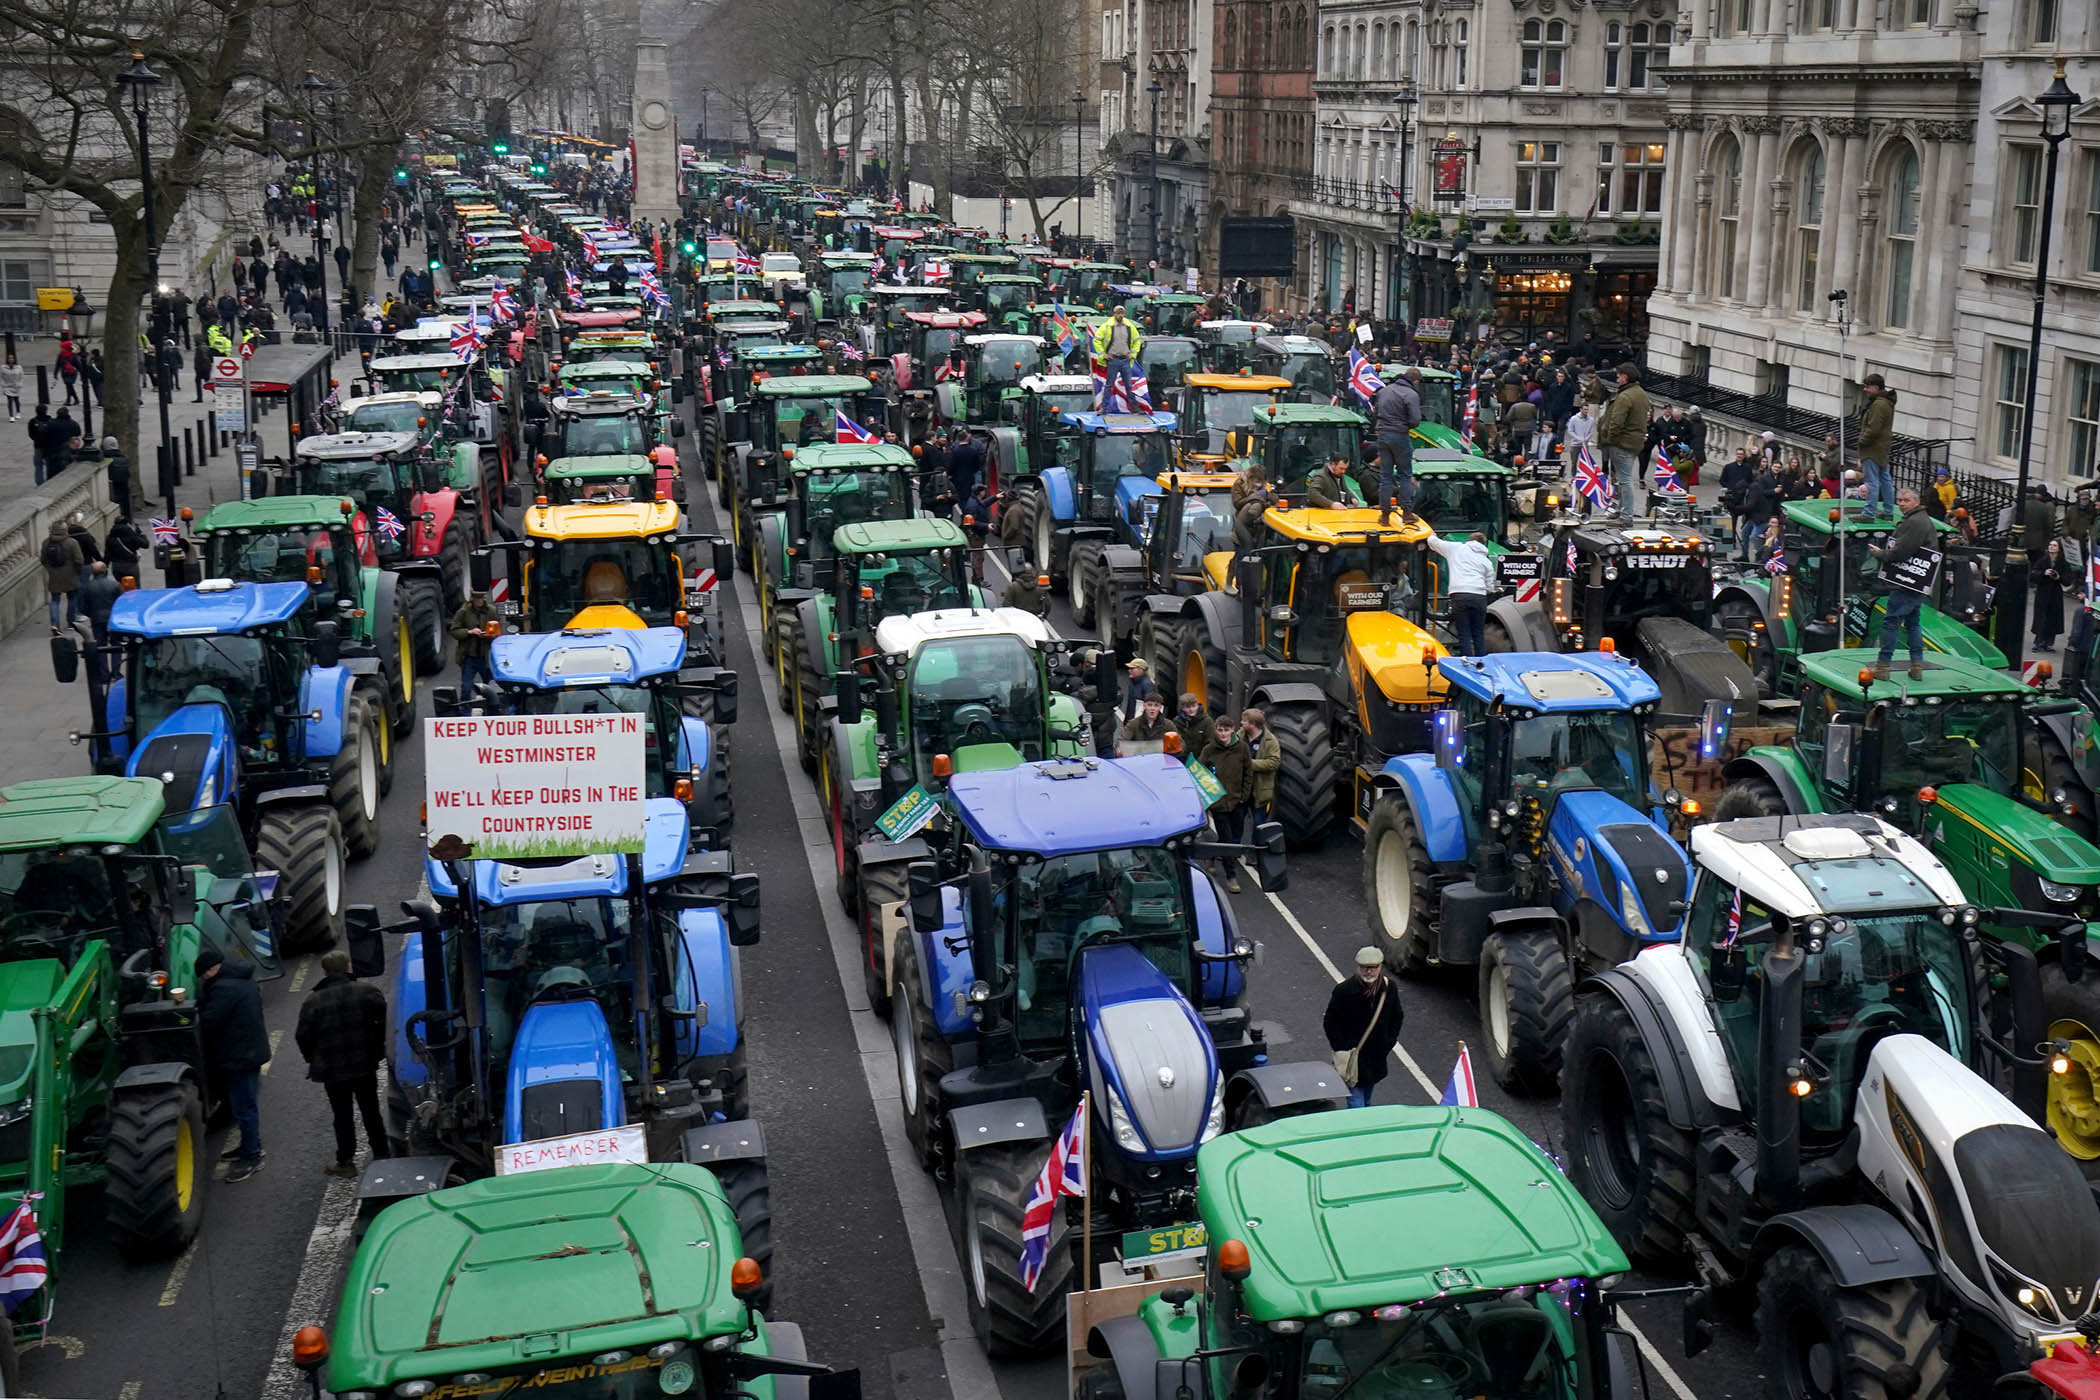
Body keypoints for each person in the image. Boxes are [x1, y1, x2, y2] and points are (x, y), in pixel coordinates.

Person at [297, 947, 391, 1177]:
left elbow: (303, 1035)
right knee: (371, 1111)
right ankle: (382, 1155)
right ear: (348, 966)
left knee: (342, 1116)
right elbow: (384, 1023)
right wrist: (377, 1049)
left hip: (333, 1070)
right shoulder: (367, 992)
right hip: (364, 1064)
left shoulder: (314, 1000)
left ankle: (346, 1162)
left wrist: (314, 1058)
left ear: (324, 972)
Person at [197, 945, 270, 1181]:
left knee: (245, 1109)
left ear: (211, 970)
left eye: (203, 975)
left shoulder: (223, 989)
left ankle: (252, 1156)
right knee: (243, 1107)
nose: (203, 980)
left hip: (240, 1057)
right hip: (248, 1051)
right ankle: (248, 1148)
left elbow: (210, 1022)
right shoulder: (239, 978)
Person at [1868, 486, 1935, 680]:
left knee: (1891, 622)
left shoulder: (1915, 522)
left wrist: (1879, 554)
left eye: (1906, 500)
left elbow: (1901, 552)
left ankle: (1883, 667)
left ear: (1917, 502)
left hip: (1905, 582)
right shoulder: (1920, 520)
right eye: (1899, 500)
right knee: (1913, 623)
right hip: (1917, 583)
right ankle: (1916, 666)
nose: (1902, 504)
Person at [1323, 947, 1402, 1108]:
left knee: (1366, 1099)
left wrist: (1388, 1042)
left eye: (1373, 967)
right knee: (1356, 1102)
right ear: (1357, 967)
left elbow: (1397, 1016)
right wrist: (1341, 1048)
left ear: (1380, 967)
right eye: (1364, 967)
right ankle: (1359, 1127)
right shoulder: (1343, 991)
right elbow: (1330, 1022)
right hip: (1353, 1058)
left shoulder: (1389, 988)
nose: (1369, 971)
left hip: (1375, 1057)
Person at [1199, 716, 1253, 891]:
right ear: (1216, 730)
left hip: (1237, 801)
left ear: (1233, 730)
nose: (1223, 734)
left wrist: (1244, 796)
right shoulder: (1209, 750)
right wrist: (1210, 799)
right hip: (1219, 803)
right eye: (1220, 730)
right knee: (1228, 840)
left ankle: (1212, 854)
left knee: (1235, 836)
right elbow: (1201, 773)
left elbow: (1248, 773)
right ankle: (1231, 876)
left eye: (1226, 730)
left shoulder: (1242, 748)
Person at [1422, 531, 1494, 656]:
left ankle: (1466, 662)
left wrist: (1431, 534)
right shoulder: (1486, 560)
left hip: (1459, 595)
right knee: (1478, 633)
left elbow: (1433, 543)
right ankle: (1482, 662)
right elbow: (1490, 586)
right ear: (1484, 544)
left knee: (1464, 633)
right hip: (1479, 596)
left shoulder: (1457, 548)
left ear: (1469, 540)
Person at [1594, 362, 1650, 521]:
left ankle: (1626, 514)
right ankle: (1622, 509)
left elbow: (1616, 422)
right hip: (1634, 442)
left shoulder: (1625, 396)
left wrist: (1610, 440)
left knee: (1624, 480)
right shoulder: (1640, 393)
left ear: (1625, 376)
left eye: (1618, 375)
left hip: (1621, 443)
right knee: (1622, 478)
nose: (1617, 378)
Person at [1369, 368, 1422, 522]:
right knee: (1405, 474)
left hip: (1383, 435)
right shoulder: (1411, 394)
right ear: (1416, 381)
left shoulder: (1385, 391)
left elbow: (1375, 411)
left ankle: (1384, 514)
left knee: (1385, 475)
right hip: (1399, 435)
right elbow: (1415, 420)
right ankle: (1406, 513)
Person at [1857, 373, 1896, 518]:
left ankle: (1868, 513)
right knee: (1885, 479)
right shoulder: (1885, 402)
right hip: (1881, 448)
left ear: (1875, 387)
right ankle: (1888, 511)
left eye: (1867, 387)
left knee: (1872, 481)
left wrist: (1862, 441)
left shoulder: (1879, 404)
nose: (1865, 390)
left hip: (1872, 448)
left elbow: (1873, 428)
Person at [450, 587, 500, 696]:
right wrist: (469, 632)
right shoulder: (463, 612)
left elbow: (497, 632)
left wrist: (488, 634)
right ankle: (465, 711)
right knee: (466, 687)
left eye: (481, 598)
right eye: (477, 599)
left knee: (491, 686)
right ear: (472, 599)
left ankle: (492, 709)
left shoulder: (491, 611)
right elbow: (454, 631)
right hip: (469, 657)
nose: (479, 601)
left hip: (486, 656)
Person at [1091, 305, 1144, 406]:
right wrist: (1103, 354)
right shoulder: (1107, 326)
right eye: (1118, 313)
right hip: (1113, 360)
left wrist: (1133, 354)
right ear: (1114, 314)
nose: (1120, 315)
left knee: (1129, 385)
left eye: (1122, 313)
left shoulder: (1129, 326)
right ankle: (1104, 408)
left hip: (1125, 360)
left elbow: (1137, 341)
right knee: (1109, 385)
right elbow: (1096, 340)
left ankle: (1134, 407)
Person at [41, 519, 82, 631]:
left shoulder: (46, 542)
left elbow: (43, 560)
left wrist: (50, 570)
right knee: (72, 598)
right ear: (65, 529)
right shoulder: (72, 542)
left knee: (54, 600)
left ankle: (55, 624)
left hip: (54, 575)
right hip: (71, 575)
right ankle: (71, 622)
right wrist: (77, 571)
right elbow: (79, 560)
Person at [2036, 537, 2070, 654]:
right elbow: (2033, 575)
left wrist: (2058, 577)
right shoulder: (2042, 560)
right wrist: (2043, 573)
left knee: (2052, 619)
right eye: (2050, 545)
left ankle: (2049, 643)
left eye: (2054, 545)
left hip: (2055, 594)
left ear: (2059, 549)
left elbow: (2068, 581)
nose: (2051, 547)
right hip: (2043, 593)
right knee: (2041, 618)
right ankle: (2038, 642)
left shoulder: (2064, 563)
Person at [79, 560, 121, 645]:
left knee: (100, 645)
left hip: (97, 618)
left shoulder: (87, 587)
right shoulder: (115, 585)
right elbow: (121, 603)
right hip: (113, 618)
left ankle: (102, 658)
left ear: (93, 572)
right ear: (106, 571)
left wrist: (91, 613)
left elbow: (82, 607)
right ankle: (116, 658)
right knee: (116, 645)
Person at [105, 514, 147, 581]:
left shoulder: (110, 536)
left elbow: (107, 553)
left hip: (116, 566)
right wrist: (141, 534)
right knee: (134, 587)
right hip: (130, 565)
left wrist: (105, 565)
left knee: (121, 586)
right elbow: (145, 544)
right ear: (127, 523)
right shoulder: (130, 534)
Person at [0, 353, 18, 422]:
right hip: (7, 387)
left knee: (16, 400)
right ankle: (11, 416)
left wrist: (19, 384)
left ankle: (18, 412)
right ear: (7, 360)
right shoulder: (3, 367)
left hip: (16, 386)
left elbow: (20, 376)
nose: (11, 359)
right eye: (9, 358)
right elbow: (2, 377)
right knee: (10, 401)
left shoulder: (18, 367)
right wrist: (3, 387)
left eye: (12, 358)